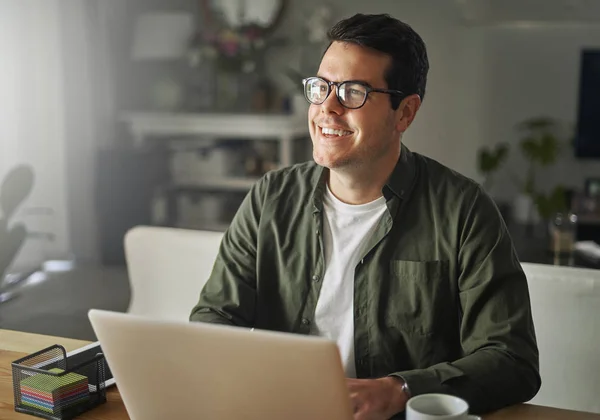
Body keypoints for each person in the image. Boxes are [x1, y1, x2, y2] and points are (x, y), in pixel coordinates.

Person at [190, 13, 540, 419]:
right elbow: (212, 318)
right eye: (321, 87)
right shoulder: (271, 197)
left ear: (405, 113)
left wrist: (400, 390)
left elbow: (512, 360)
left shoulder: (464, 211)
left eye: (353, 92)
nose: (327, 108)